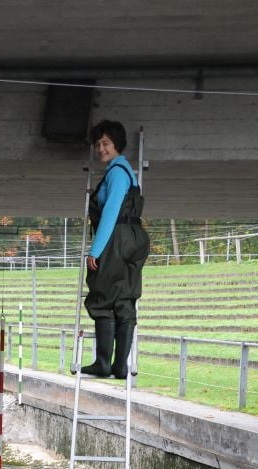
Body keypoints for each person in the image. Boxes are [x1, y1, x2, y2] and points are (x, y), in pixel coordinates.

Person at [81, 120, 150, 379]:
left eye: (106, 143)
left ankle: (103, 363)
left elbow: (110, 213)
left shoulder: (117, 172)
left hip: (116, 240)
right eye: (98, 144)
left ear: (117, 145)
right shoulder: (125, 172)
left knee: (102, 296)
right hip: (132, 239)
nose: (101, 149)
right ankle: (120, 365)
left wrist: (95, 250)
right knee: (124, 298)